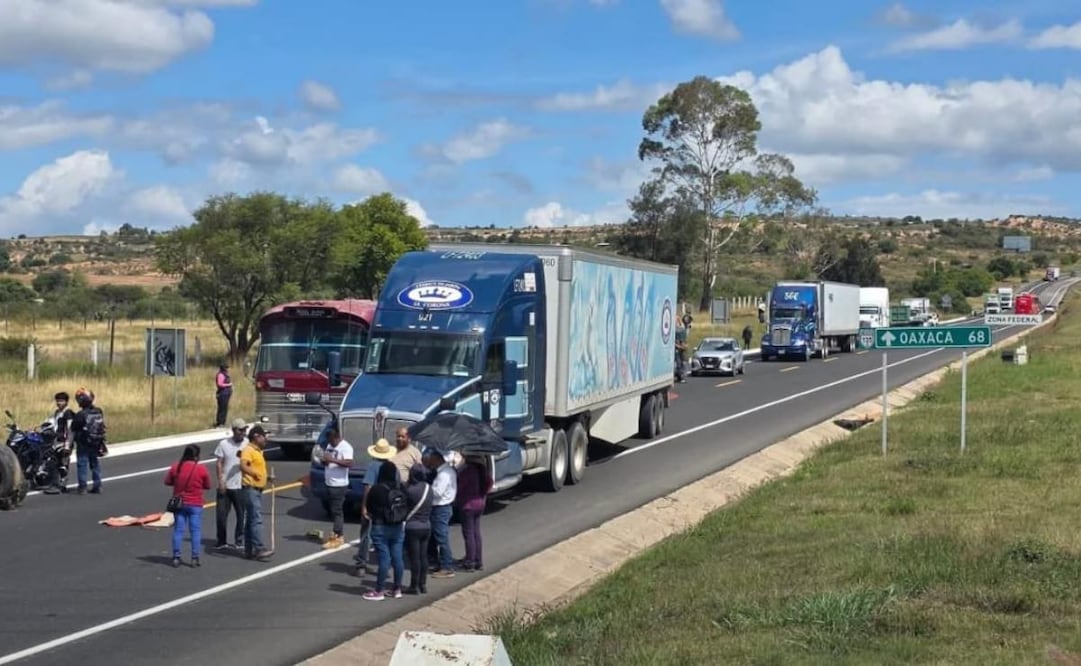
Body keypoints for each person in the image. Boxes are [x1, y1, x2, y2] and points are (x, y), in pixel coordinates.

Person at [363, 460, 407, 600]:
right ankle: (397, 588)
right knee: (398, 557)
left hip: (380, 526)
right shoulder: (400, 489)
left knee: (384, 558)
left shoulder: (376, 489)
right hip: (398, 526)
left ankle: (379, 590)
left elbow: (369, 508)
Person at [164, 444, 212, 568]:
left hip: (180, 504)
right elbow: (207, 485)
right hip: (195, 503)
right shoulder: (201, 469)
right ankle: (195, 557)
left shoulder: (176, 467)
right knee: (195, 531)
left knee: (178, 530)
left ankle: (176, 556)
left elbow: (167, 481)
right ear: (196, 456)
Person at [353, 438, 395, 574]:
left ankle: (361, 564)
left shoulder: (372, 466)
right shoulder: (392, 467)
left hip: (374, 504)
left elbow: (368, 487)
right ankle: (385, 564)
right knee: (385, 536)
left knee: (367, 534)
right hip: (388, 505)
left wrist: (364, 506)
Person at [239, 425, 273, 561]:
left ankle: (249, 550)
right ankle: (259, 548)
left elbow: (257, 468)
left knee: (250, 521)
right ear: (256, 437)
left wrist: (267, 477)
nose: (266, 439)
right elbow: (243, 465)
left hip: (257, 489)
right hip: (250, 489)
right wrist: (255, 474)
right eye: (263, 436)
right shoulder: (248, 450)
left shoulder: (258, 451)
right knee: (256, 519)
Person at [213, 418, 248, 550]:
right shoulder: (223, 444)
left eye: (245, 429)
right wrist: (221, 481)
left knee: (241, 515)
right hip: (225, 485)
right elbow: (219, 463)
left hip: (240, 485)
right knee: (221, 515)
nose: (243, 432)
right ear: (234, 430)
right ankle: (221, 541)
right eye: (240, 430)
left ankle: (239, 540)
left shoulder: (248, 444)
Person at [455, 457, 492, 572]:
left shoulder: (467, 471)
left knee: (469, 533)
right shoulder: (481, 470)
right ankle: (478, 560)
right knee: (476, 533)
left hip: (468, 505)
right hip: (479, 503)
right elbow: (488, 484)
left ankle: (470, 561)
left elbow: (459, 487)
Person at [320, 426, 353, 550]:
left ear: (337, 437)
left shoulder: (346, 447)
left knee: (337, 511)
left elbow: (349, 463)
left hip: (339, 484)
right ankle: (336, 533)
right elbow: (328, 460)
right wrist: (325, 461)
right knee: (333, 510)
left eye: (331, 440)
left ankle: (339, 536)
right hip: (329, 482)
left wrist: (332, 460)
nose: (330, 443)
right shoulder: (330, 445)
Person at [426, 448, 457, 578]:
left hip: (441, 508)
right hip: (438, 508)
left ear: (438, 458)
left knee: (441, 537)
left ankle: (447, 566)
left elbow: (438, 492)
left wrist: (427, 489)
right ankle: (436, 562)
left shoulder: (444, 474)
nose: (429, 459)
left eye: (431, 457)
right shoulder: (442, 472)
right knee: (433, 536)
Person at [70, 387, 106, 495]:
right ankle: (98, 485)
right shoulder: (99, 411)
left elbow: (73, 427)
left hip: (83, 442)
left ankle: (83, 486)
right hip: (96, 442)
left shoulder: (80, 415)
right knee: (94, 464)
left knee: (82, 464)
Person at [403, 463, 433, 594]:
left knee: (414, 557)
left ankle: (414, 585)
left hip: (412, 527)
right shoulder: (429, 488)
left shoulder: (410, 491)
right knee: (423, 556)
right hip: (426, 525)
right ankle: (423, 584)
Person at [44, 391, 75, 494]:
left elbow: (70, 430)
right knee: (55, 463)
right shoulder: (57, 412)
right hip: (57, 442)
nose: (59, 403)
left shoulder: (68, 413)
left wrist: (67, 445)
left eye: (61, 401)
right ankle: (55, 484)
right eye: (57, 401)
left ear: (66, 402)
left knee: (63, 464)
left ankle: (62, 486)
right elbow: (52, 424)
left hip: (64, 442)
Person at [214, 362, 233, 428]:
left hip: (226, 394)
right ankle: (220, 422)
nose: (227, 369)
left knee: (224, 408)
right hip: (222, 394)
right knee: (222, 408)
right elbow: (220, 384)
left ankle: (222, 422)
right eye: (226, 368)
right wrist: (229, 384)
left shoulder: (225, 374)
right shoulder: (220, 375)